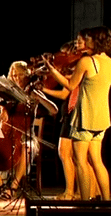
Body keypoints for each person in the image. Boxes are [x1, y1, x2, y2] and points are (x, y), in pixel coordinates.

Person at [44, 26, 111, 201]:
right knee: (97, 161)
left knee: (80, 161)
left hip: (85, 118)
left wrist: (52, 71)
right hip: (102, 117)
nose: (84, 41)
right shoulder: (109, 61)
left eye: (87, 38)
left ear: (95, 40)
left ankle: (85, 202)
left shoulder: (87, 61)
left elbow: (70, 86)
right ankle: (107, 201)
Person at [0, 60, 58, 200]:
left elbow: (54, 110)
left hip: (26, 137)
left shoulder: (33, 92)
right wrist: (1, 107)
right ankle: (1, 184)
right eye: (13, 75)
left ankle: (13, 186)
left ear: (27, 75)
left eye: (19, 75)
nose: (16, 78)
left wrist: (39, 98)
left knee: (26, 148)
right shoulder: (6, 91)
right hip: (5, 136)